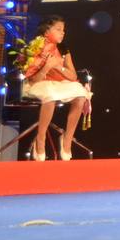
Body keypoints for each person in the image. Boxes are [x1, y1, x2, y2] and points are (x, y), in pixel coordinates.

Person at [21, 16, 91, 161]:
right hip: (38, 83)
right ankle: (40, 139)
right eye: (58, 29)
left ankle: (67, 139)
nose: (62, 33)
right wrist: (47, 66)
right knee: (50, 95)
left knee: (80, 95)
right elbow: (34, 79)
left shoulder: (63, 49)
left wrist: (58, 66)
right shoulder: (34, 48)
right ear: (46, 32)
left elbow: (72, 76)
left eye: (63, 30)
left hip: (60, 83)